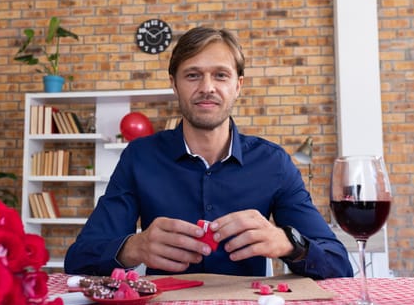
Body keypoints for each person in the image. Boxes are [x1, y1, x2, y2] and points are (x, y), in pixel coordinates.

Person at [64, 26, 353, 279]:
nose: (207, 88)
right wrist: (134, 247)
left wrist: (288, 243)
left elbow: (338, 264)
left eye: (221, 75)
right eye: (192, 75)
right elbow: (79, 259)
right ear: (173, 84)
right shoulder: (139, 157)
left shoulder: (274, 163)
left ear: (238, 85)